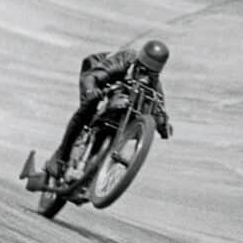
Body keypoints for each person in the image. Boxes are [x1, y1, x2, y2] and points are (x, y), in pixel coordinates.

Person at [45, 40, 172, 177]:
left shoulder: (154, 82)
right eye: (143, 71)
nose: (146, 78)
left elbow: (159, 105)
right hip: (98, 71)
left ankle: (95, 166)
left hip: (120, 93)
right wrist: (91, 90)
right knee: (90, 104)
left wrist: (162, 124)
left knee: (135, 108)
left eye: (152, 74)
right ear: (138, 62)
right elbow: (91, 77)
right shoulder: (124, 60)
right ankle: (60, 156)